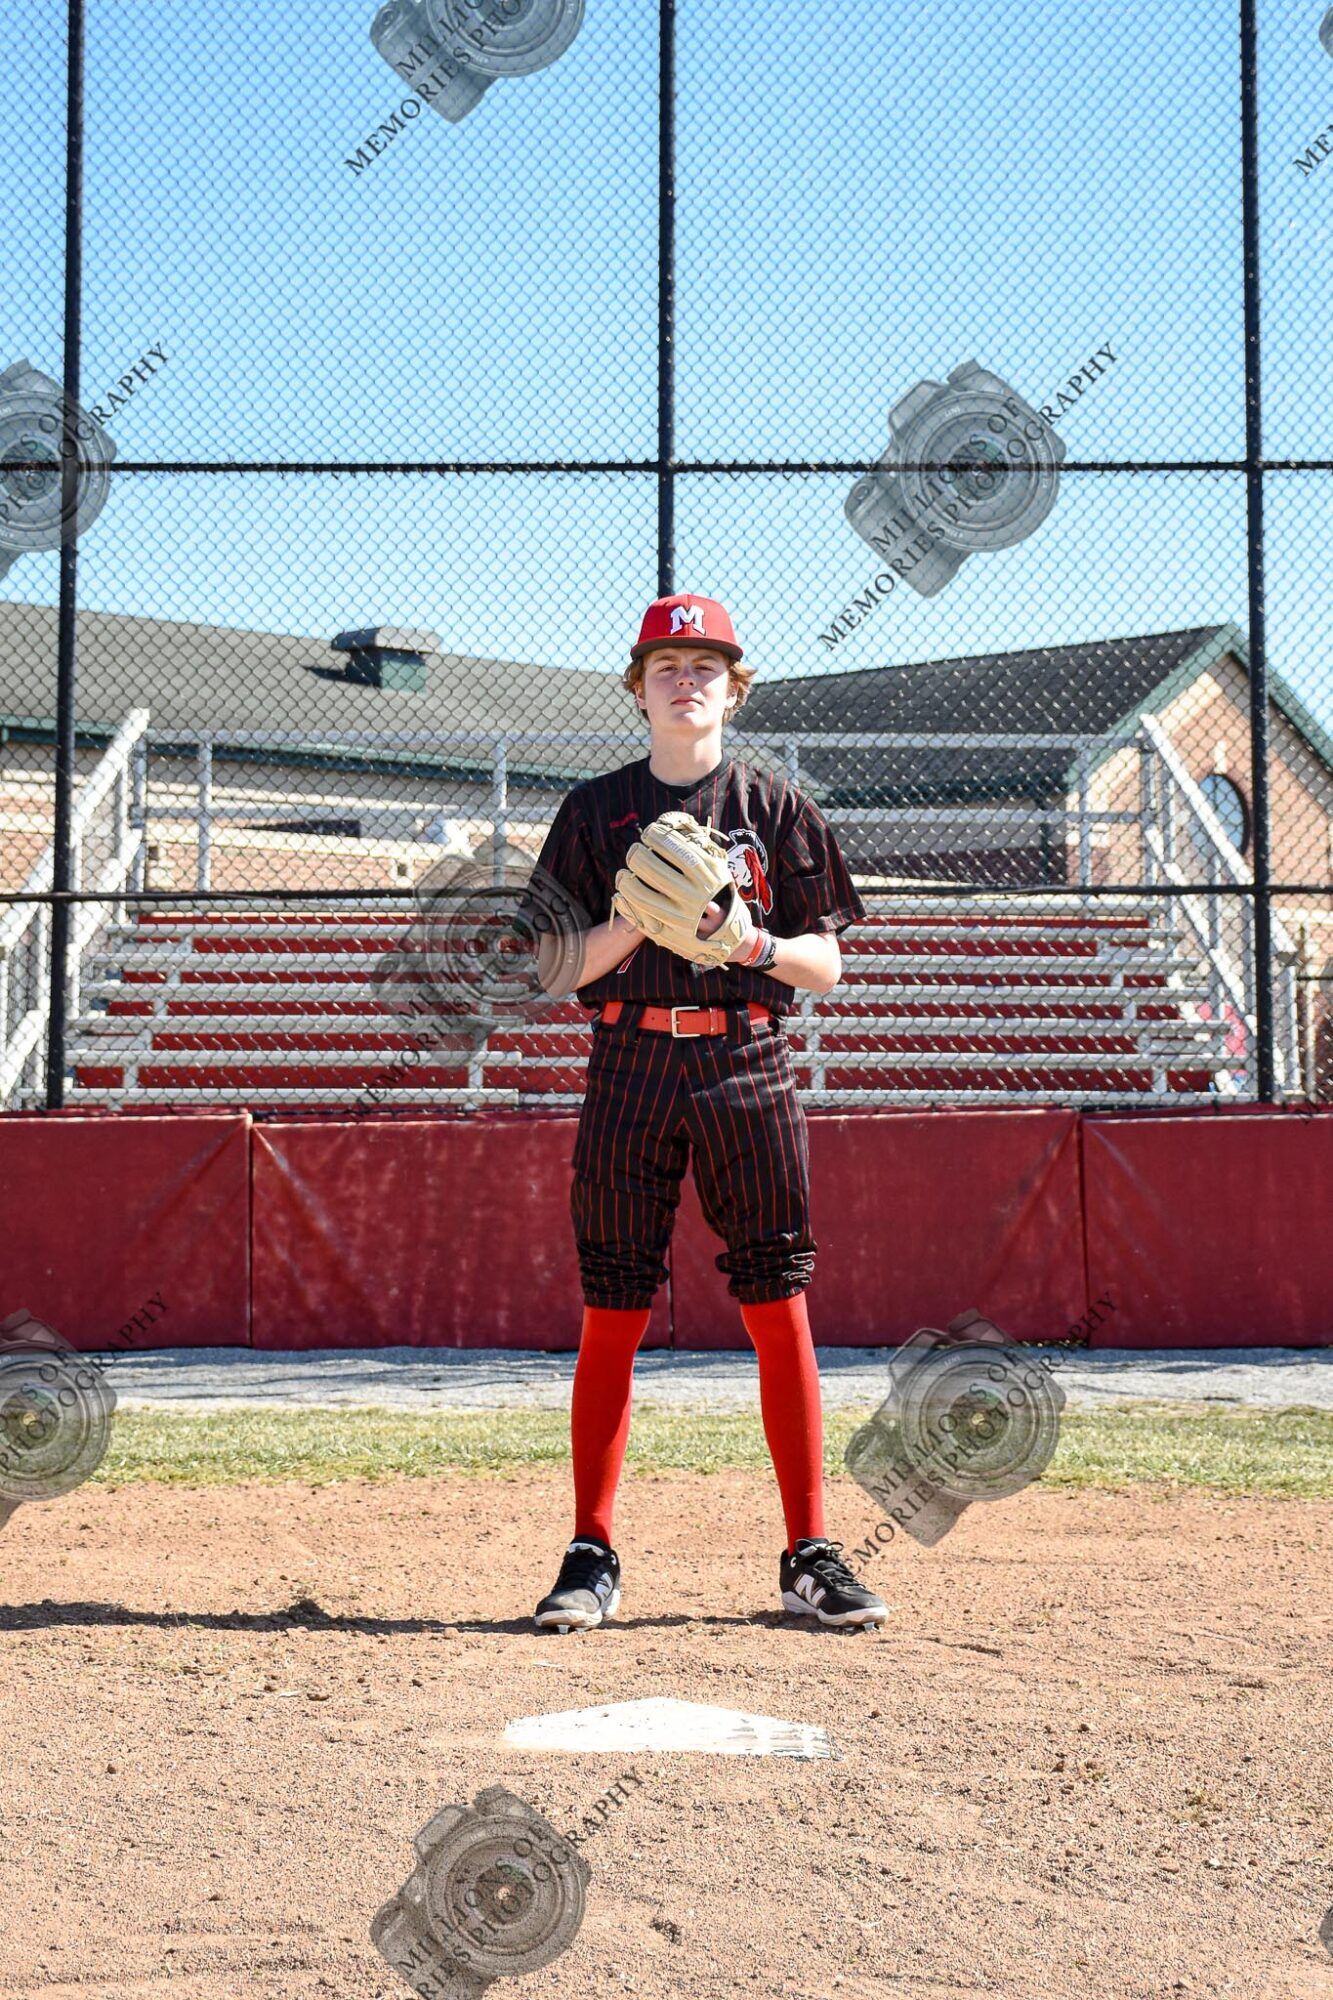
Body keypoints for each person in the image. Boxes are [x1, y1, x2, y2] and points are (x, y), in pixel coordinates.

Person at [527, 591, 887, 1634]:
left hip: (745, 1057)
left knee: (778, 1297)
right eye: (666, 667)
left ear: (734, 689)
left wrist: (744, 943)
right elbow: (552, 969)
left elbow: (825, 964)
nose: (686, 681)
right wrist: (637, 921)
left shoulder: (777, 807)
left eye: (706, 667)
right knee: (613, 1301)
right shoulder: (592, 811)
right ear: (638, 690)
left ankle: (809, 1551)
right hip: (630, 1056)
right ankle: (590, 1550)